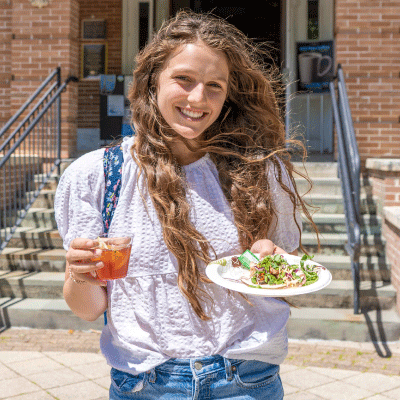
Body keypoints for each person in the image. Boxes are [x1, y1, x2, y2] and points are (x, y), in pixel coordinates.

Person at [55, 10, 316, 400]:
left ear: (229, 95)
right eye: (184, 79)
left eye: (215, 85)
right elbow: (89, 310)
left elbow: (284, 279)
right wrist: (80, 273)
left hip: (246, 379)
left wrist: (270, 260)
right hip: (145, 383)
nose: (198, 98)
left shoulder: (261, 171)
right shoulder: (98, 176)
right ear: (151, 82)